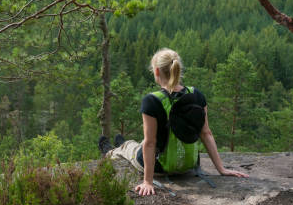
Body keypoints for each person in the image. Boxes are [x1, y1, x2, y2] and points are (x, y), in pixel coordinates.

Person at [99, 48, 248, 196]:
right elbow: (206, 133)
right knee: (138, 143)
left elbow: (150, 143)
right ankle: (121, 144)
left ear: (157, 72)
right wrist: (221, 169)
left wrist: (148, 182)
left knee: (131, 147)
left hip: (160, 167)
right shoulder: (197, 95)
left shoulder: (151, 100)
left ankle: (112, 150)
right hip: (188, 165)